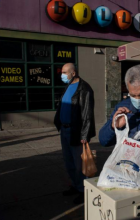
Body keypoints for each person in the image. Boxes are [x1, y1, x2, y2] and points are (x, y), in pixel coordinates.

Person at [54, 63, 95, 204]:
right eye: (62, 72)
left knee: (80, 165)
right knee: (69, 162)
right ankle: (76, 186)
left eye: (65, 72)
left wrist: (84, 135)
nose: (62, 75)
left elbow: (87, 114)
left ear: (73, 73)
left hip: (76, 132)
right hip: (64, 130)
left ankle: (84, 191)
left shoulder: (84, 89)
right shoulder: (68, 86)